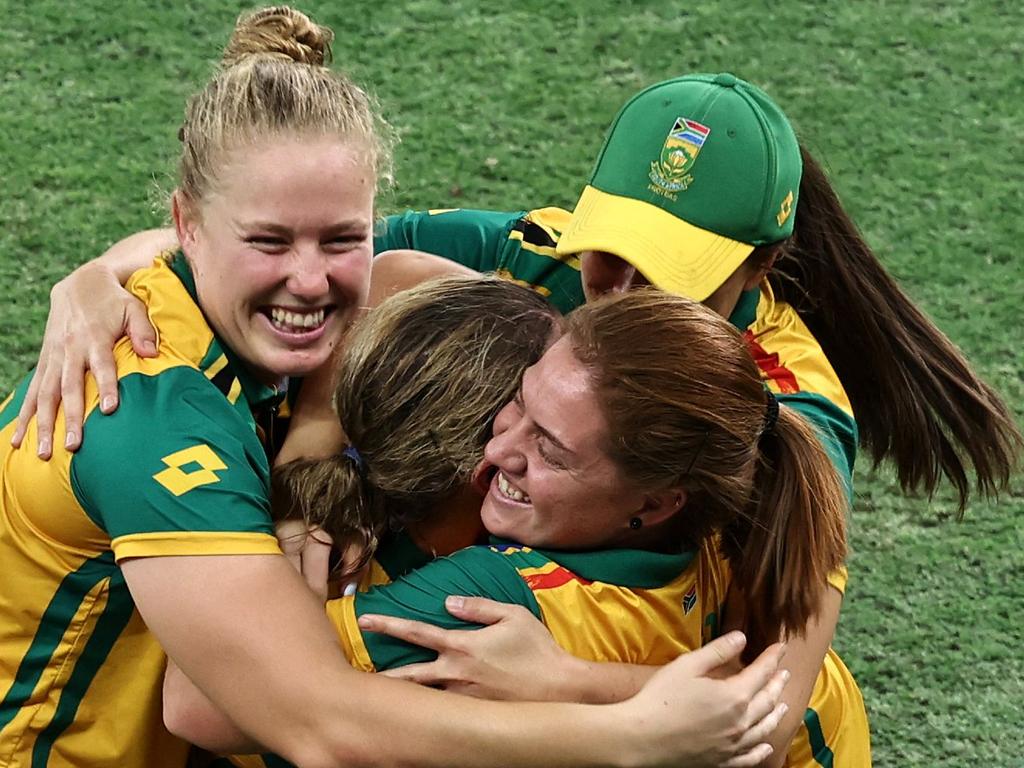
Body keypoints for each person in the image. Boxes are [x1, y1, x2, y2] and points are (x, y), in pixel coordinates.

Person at [0, 9, 790, 768]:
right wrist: (631, 736)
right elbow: (316, 721)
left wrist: (100, 273)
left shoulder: (237, 320)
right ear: (190, 224)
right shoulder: (151, 418)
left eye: (342, 239)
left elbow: (402, 277)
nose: (310, 282)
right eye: (269, 240)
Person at [17, 75, 1019, 515]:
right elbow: (308, 249)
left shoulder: (793, 406)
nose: (618, 289)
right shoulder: (538, 252)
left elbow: (775, 643)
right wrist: (99, 277)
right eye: (611, 249)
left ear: (757, 269)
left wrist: (563, 684)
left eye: (665, 269)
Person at [163, 287, 867, 768]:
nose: (501, 449)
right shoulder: (749, 503)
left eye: (550, 451)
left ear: (655, 503)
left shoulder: (489, 598)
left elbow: (199, 704)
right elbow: (399, 268)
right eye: (518, 403)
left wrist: (266, 514)